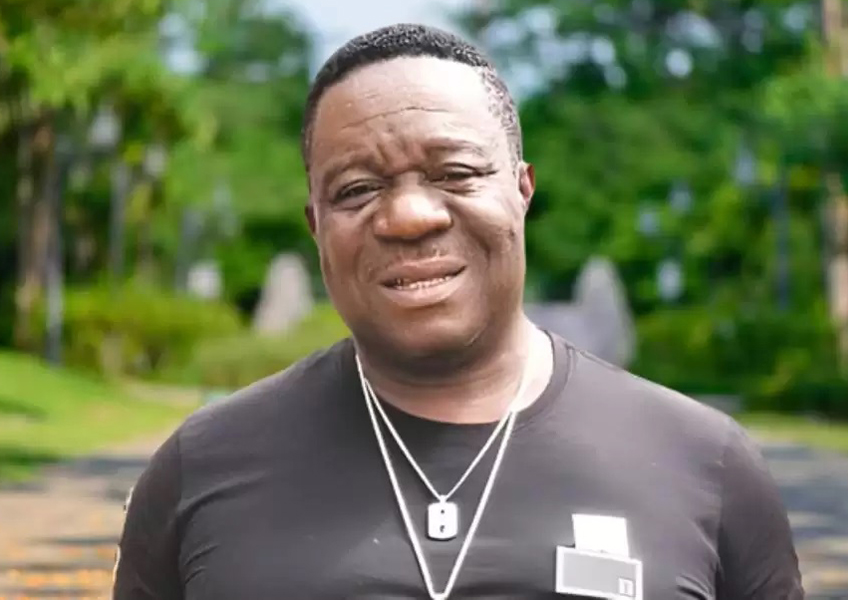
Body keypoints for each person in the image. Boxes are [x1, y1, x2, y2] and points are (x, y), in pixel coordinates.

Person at [113, 23, 804, 599]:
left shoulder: (703, 464)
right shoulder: (201, 469)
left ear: (522, 189)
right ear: (317, 225)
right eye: (356, 189)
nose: (409, 216)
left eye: (456, 173)